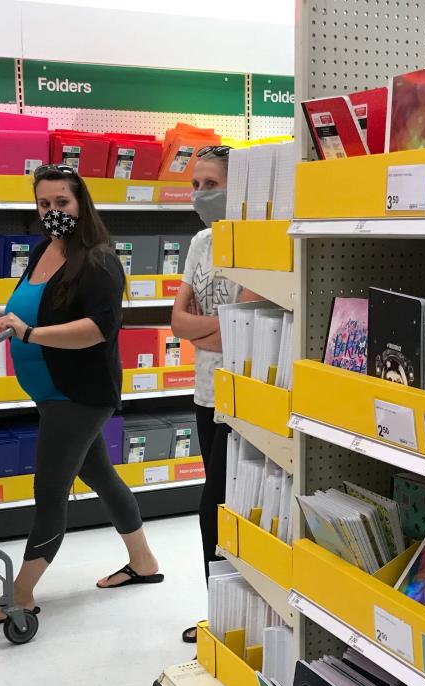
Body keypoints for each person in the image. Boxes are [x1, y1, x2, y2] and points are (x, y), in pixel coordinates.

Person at [0, 164, 163, 625]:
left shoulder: (99, 261)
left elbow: (97, 329)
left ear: (82, 204)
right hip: (51, 390)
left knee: (50, 491)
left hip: (79, 395)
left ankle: (22, 595)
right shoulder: (44, 250)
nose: (53, 212)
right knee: (101, 476)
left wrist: (28, 335)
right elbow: (28, 306)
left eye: (62, 203)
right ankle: (145, 563)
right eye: (44, 204)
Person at [171, 145, 263, 643]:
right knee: (212, 505)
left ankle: (238, 614)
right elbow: (177, 320)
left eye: (212, 185)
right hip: (206, 393)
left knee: (224, 505)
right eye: (196, 185)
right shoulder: (202, 242)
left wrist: (206, 331)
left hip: (245, 394)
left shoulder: (257, 242)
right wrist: (216, 329)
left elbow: (239, 330)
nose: (201, 195)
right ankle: (219, 610)